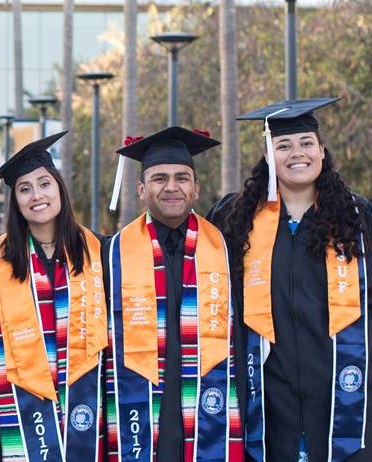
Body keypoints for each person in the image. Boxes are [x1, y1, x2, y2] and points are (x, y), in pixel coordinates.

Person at [211, 98, 372, 462]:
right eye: (283, 145)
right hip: (267, 390)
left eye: (306, 143)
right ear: (268, 155)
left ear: (322, 151)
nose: (297, 154)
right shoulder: (236, 220)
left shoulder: (358, 217)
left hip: (349, 385)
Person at [105, 127, 240, 462]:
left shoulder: (224, 250)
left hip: (210, 409)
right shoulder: (113, 255)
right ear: (140, 189)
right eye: (159, 178)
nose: (171, 187)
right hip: (142, 416)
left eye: (182, 178)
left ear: (196, 189)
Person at [0, 132, 111, 461]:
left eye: (44, 184)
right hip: (21, 415)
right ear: (16, 202)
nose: (37, 195)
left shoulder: (100, 253)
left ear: (59, 189)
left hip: (89, 406)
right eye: (25, 189)